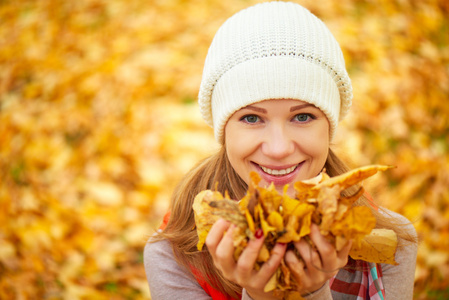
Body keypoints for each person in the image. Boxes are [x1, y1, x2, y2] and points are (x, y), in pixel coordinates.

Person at [144, 2, 418, 299]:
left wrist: (313, 293)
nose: (278, 149)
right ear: (224, 132)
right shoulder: (175, 256)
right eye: (251, 118)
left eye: (302, 117)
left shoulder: (390, 242)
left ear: (329, 126)